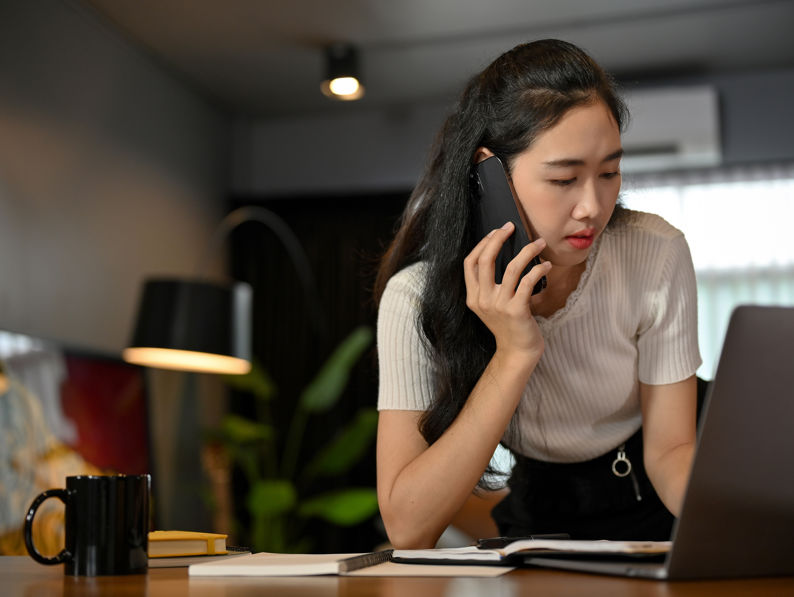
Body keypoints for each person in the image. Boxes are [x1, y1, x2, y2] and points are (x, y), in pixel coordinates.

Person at [373, 39, 701, 549]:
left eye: (609, 173)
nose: (592, 206)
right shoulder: (414, 298)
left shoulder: (655, 253)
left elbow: (673, 450)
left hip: (655, 504)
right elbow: (407, 526)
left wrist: (746, 525)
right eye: (564, 178)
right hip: (535, 514)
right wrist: (515, 351)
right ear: (489, 175)